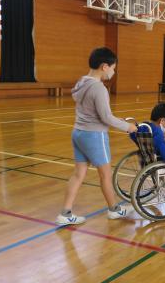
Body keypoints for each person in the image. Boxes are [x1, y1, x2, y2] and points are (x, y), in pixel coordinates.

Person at [56, 47, 138, 225]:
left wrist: (117, 120)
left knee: (78, 174)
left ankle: (65, 213)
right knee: (106, 176)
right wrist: (128, 127)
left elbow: (97, 113)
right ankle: (114, 210)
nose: (113, 72)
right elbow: (105, 117)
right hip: (94, 136)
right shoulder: (99, 88)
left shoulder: (81, 82)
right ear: (104, 66)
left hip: (78, 133)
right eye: (113, 68)